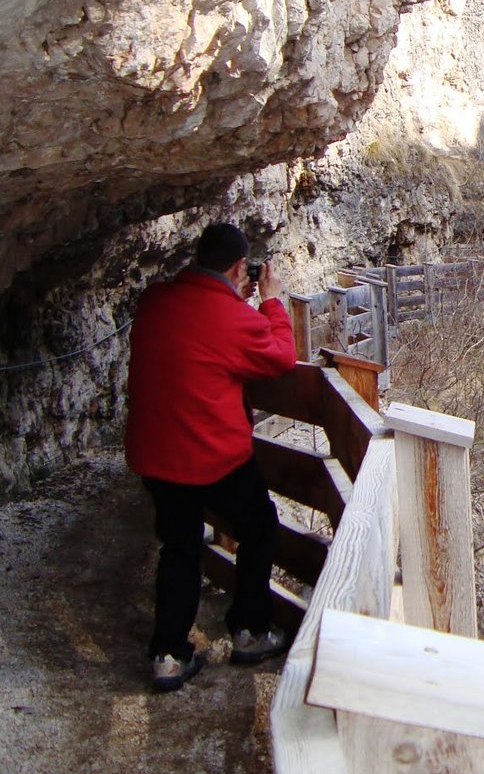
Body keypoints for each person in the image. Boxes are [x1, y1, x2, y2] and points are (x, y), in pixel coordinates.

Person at [125, 222, 297, 692]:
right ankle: (250, 630)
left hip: (155, 456)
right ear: (241, 267)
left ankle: (168, 655)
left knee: (179, 546)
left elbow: (200, 335)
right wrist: (271, 300)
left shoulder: (155, 300)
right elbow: (281, 355)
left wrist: (236, 300)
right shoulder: (233, 317)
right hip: (208, 455)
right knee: (260, 526)